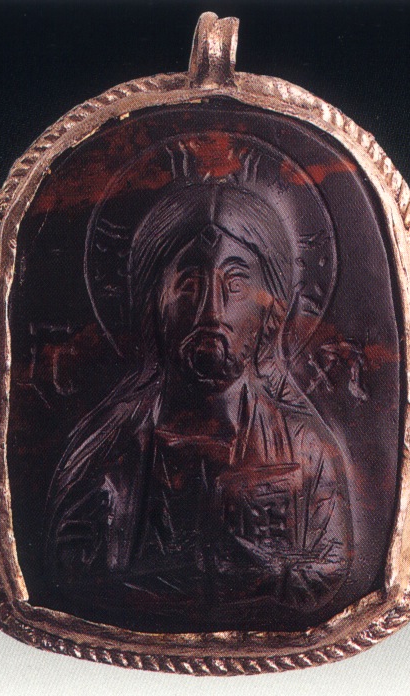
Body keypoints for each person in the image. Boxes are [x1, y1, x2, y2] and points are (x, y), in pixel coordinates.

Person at [43, 181, 353, 632]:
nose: (211, 311)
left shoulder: (306, 449)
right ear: (154, 307)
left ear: (271, 313)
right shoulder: (109, 453)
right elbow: (69, 572)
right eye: (189, 285)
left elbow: (330, 568)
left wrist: (254, 574)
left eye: (236, 284)